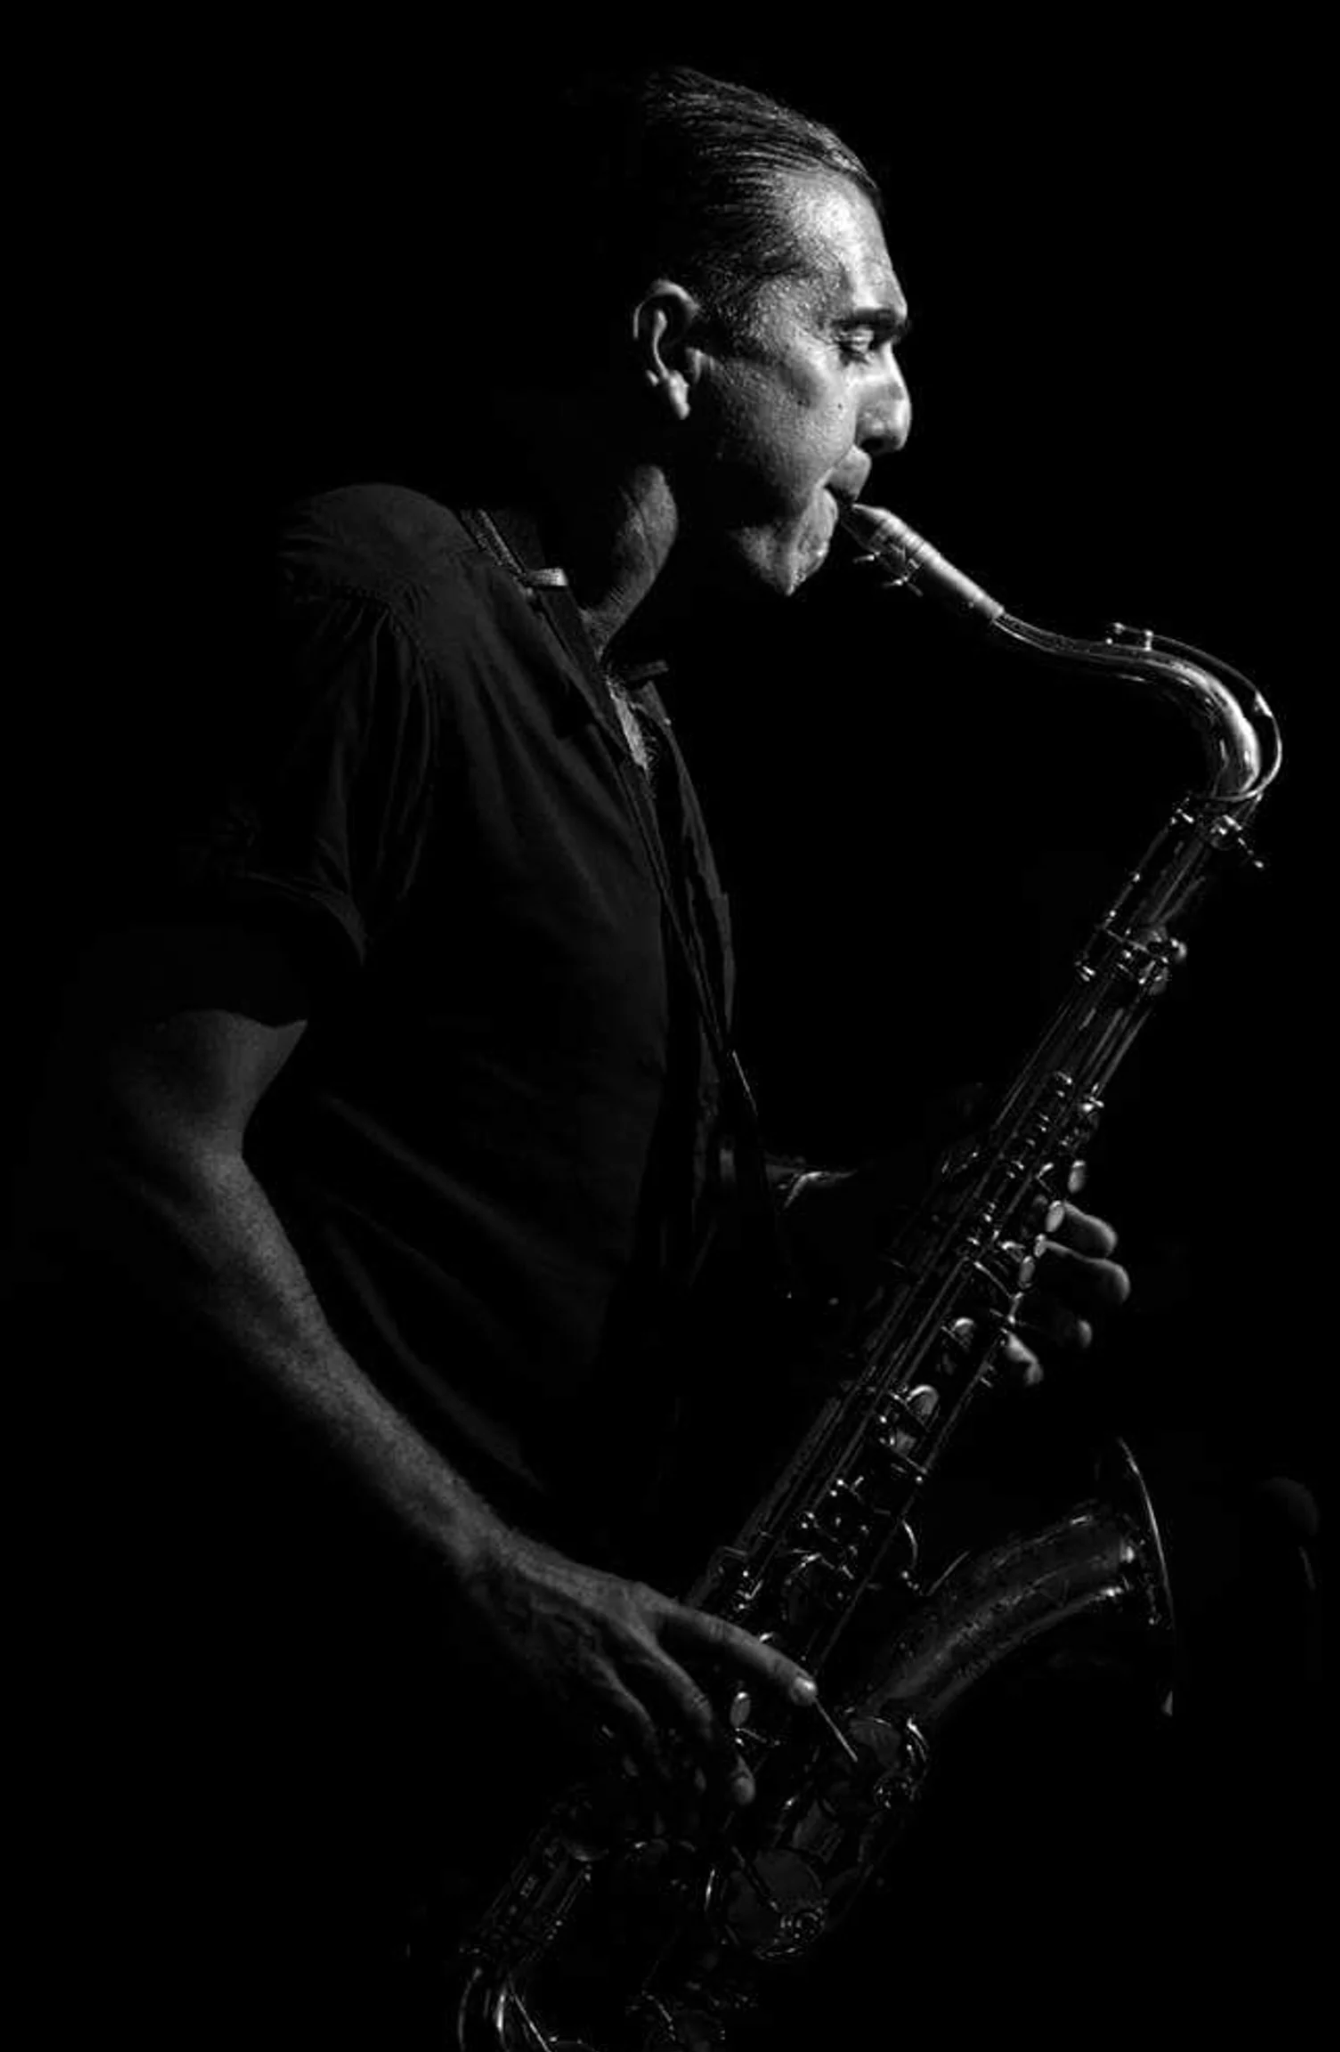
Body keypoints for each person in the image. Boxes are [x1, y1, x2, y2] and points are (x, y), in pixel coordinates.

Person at [11, 67, 1135, 2047]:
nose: (894, 419)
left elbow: (516, 1168)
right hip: (278, 1732)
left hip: (479, 1774)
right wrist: (480, 1573)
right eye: (857, 339)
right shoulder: (384, 601)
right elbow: (123, 1146)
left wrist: (838, 1223)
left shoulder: (633, 721)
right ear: (672, 348)